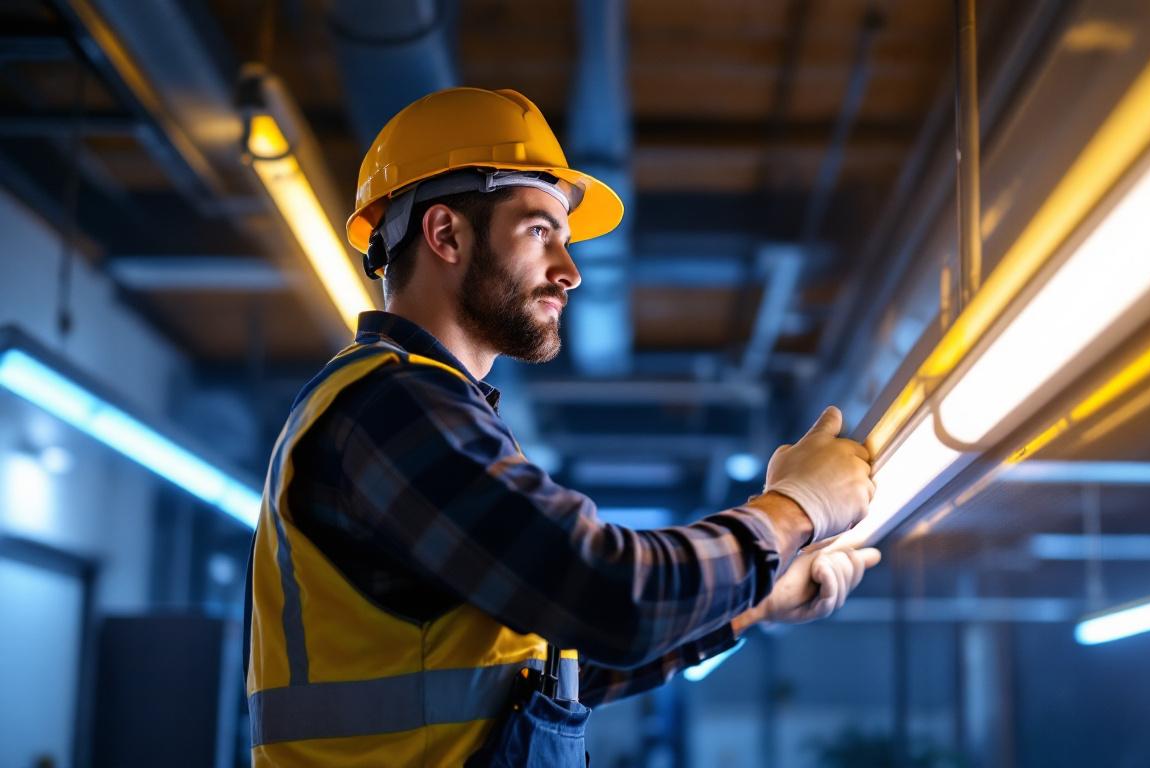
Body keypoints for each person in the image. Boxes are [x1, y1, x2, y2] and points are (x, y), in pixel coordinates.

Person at [245, 87, 879, 767]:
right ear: (445, 234)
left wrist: (755, 605)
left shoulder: (421, 408)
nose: (570, 272)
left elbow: (545, 676)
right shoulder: (392, 407)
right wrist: (793, 510)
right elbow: (611, 597)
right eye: (540, 230)